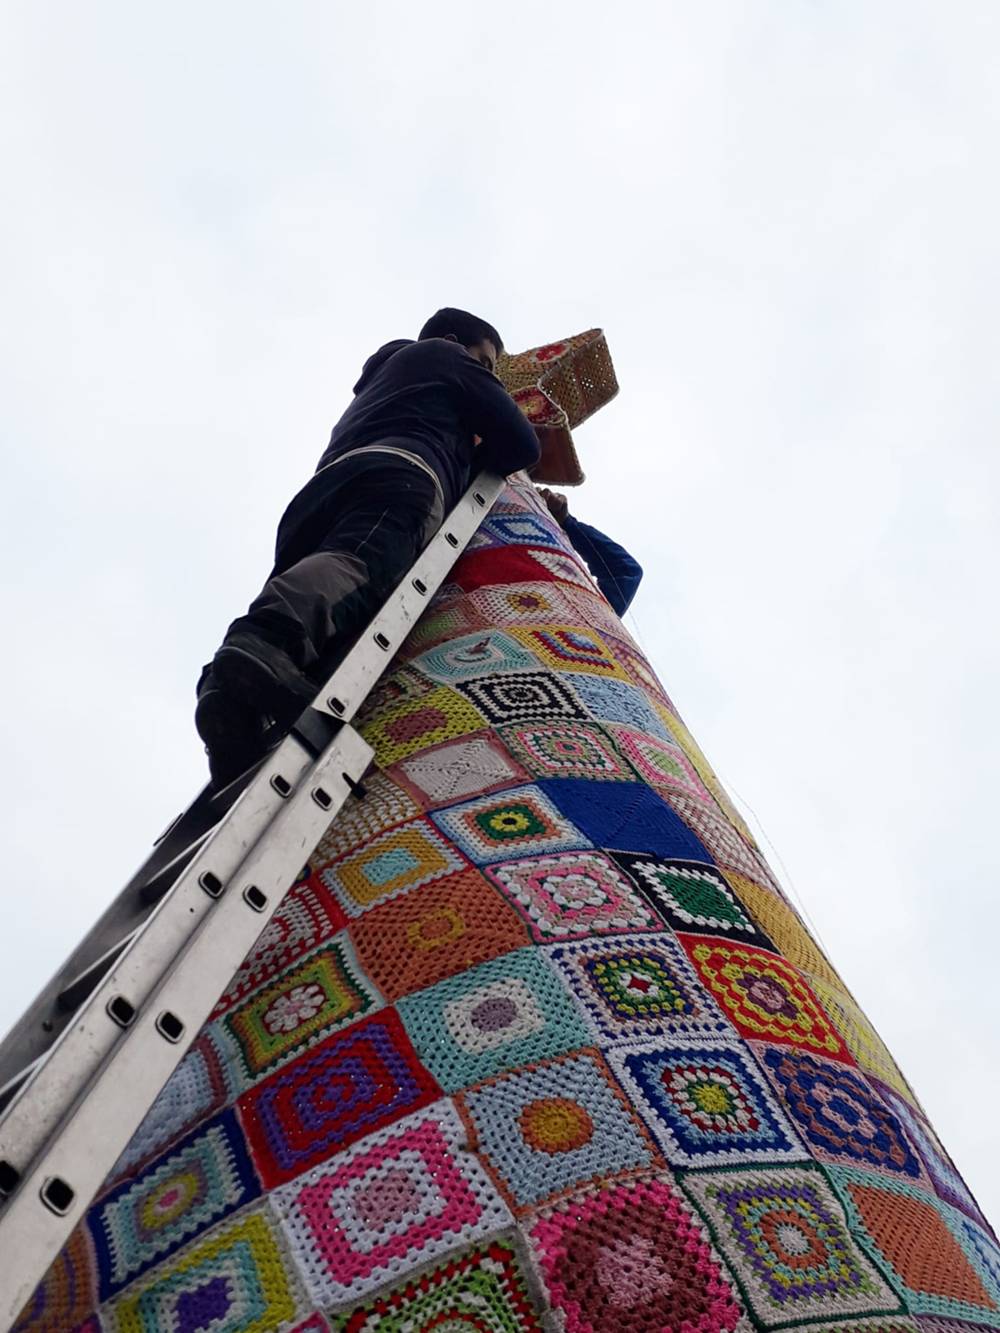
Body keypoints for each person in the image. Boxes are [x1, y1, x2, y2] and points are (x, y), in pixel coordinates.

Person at [196, 308, 540, 785]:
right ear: (457, 341)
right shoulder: (446, 355)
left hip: (327, 485)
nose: (485, 373)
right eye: (485, 362)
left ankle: (232, 704)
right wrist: (478, 454)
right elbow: (523, 443)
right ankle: (265, 642)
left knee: (334, 597)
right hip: (403, 475)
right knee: (360, 564)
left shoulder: (385, 379)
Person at [537, 487, 643, 615]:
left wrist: (567, 523)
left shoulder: (594, 623)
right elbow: (625, 570)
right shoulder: (597, 622)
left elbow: (626, 570)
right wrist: (566, 523)